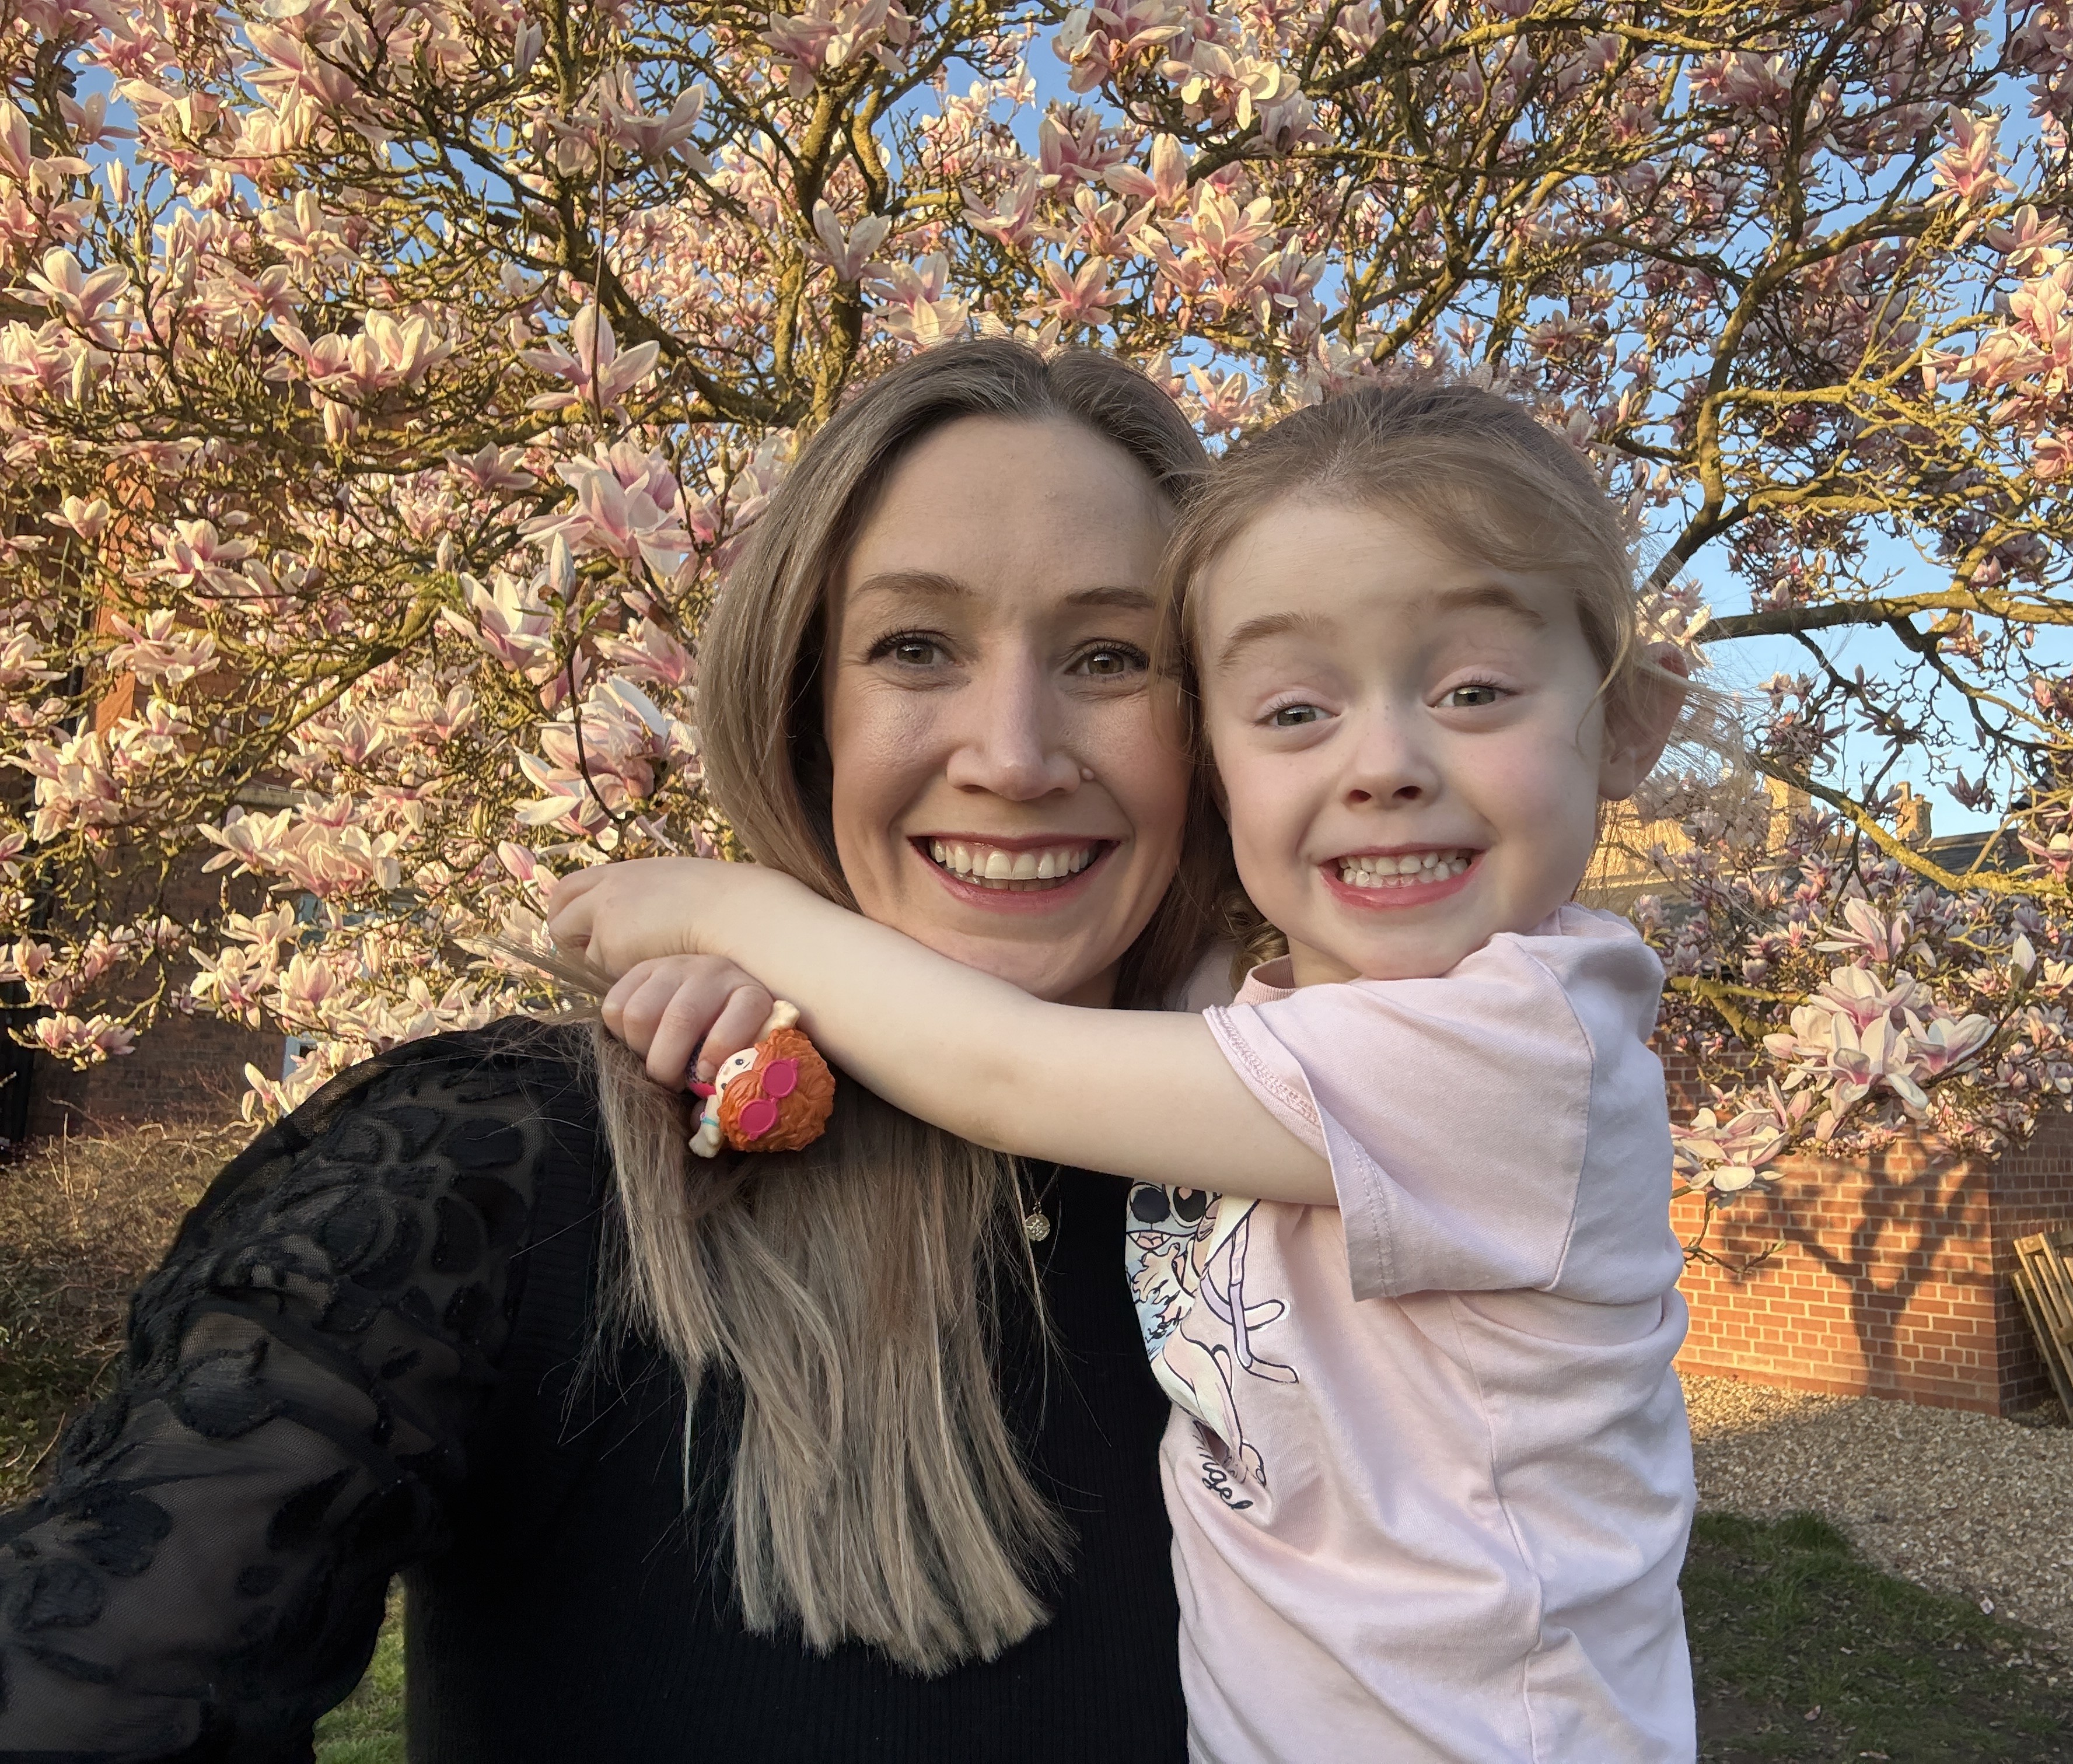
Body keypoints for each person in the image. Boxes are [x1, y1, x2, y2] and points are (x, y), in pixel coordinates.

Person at [0, 341, 1226, 1762]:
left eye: (1111, 657)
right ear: (801, 714)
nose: (1014, 755)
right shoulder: (516, 1173)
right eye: (913, 648)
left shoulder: (1316, 1177)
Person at [552, 384, 1705, 1762]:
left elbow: (1007, 1066)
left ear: (1629, 724)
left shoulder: (1516, 1052)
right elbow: (1122, 1017)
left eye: (1472, 692)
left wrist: (726, 912)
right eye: (1292, 709)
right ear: (1214, 757)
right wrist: (793, 1001)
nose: (1385, 763)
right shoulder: (1303, 1023)